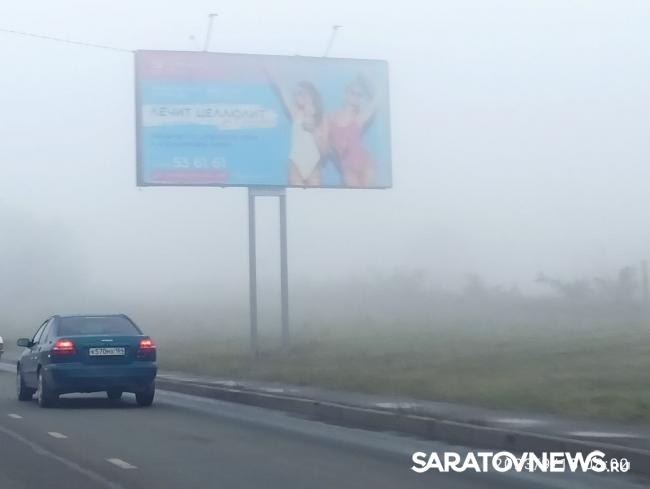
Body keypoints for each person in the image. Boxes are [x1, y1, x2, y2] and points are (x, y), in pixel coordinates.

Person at [267, 69, 327, 186]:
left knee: (314, 195)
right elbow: (282, 88)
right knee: (295, 193)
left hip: (314, 163)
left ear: (310, 95)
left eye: (300, 92)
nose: (296, 96)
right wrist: (270, 71)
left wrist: (314, 130)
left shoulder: (321, 118)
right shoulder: (296, 113)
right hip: (296, 161)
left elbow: (325, 151)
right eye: (295, 94)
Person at [328, 76, 378, 187]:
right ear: (346, 94)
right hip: (346, 166)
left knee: (368, 195)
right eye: (353, 93)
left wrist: (366, 79)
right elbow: (325, 142)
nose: (355, 96)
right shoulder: (331, 116)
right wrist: (335, 151)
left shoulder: (360, 117)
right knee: (355, 193)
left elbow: (377, 98)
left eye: (359, 95)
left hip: (365, 162)